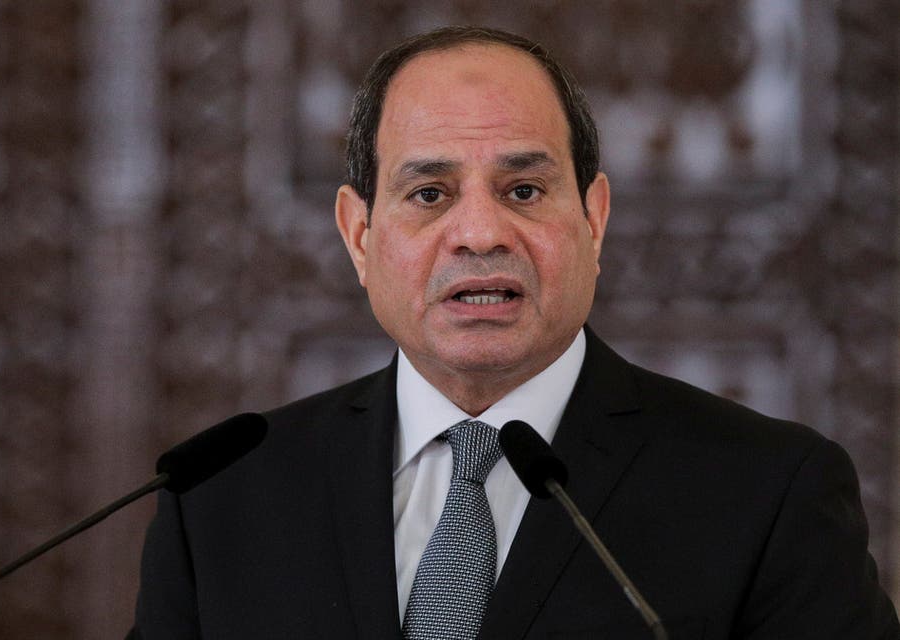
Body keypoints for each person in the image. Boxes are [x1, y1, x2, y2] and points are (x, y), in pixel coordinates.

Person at [127, 26, 899, 639]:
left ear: (594, 218)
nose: (479, 233)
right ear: (359, 235)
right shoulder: (221, 500)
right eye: (430, 193)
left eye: (523, 189)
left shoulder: (768, 493)